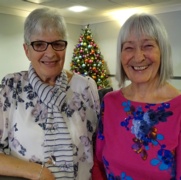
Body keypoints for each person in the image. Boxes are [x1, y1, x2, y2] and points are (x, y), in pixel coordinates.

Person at [0, 7, 100, 180]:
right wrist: (38, 172)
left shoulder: (86, 86)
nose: (50, 53)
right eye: (39, 44)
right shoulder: (11, 86)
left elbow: (99, 145)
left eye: (58, 44)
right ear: (26, 50)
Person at [92, 13, 181, 180]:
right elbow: (98, 164)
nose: (138, 57)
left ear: (162, 52)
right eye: (129, 47)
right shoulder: (110, 102)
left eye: (147, 46)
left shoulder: (178, 108)